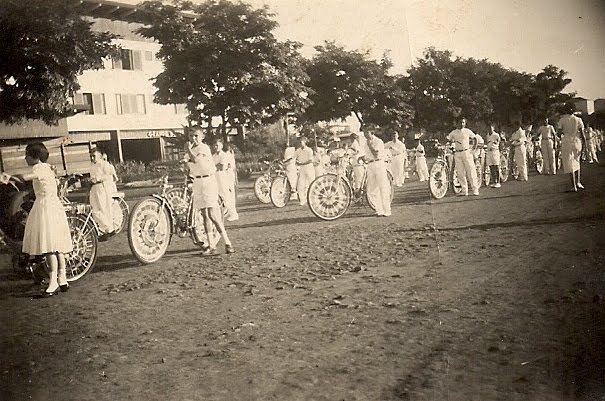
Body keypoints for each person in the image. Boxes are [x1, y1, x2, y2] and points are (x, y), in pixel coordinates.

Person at [15, 143, 73, 296]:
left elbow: (25, 178)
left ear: (35, 156)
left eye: (27, 155)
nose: (25, 158)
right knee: (56, 245)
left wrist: (9, 177)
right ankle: (63, 279)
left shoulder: (38, 168)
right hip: (52, 205)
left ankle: (53, 281)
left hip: (46, 207)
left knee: (48, 246)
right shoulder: (46, 167)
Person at [185, 127, 234, 255]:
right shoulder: (191, 150)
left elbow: (196, 160)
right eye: (191, 136)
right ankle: (211, 246)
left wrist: (188, 151)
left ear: (201, 137)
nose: (193, 138)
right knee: (203, 214)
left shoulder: (203, 148)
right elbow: (189, 166)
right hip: (197, 181)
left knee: (212, 213)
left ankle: (227, 242)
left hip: (208, 181)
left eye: (196, 136)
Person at [361, 125, 391, 217]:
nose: (365, 135)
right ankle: (379, 209)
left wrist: (370, 145)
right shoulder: (366, 143)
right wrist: (362, 157)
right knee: (373, 189)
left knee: (383, 187)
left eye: (367, 133)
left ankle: (387, 210)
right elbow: (368, 155)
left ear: (372, 133)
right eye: (364, 133)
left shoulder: (378, 141)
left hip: (379, 164)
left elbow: (376, 155)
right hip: (370, 165)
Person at [446, 117, 480, 196]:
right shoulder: (454, 132)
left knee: (471, 171)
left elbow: (475, 139)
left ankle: (475, 189)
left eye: (463, 122)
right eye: (460, 122)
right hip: (457, 154)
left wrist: (473, 149)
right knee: (460, 173)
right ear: (456, 123)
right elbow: (448, 139)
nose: (461, 124)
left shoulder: (467, 131)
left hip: (467, 152)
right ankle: (464, 190)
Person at [89, 147, 116, 240]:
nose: (92, 158)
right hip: (94, 188)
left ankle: (108, 230)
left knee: (104, 209)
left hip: (102, 187)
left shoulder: (104, 164)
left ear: (100, 155)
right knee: (94, 210)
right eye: (91, 156)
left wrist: (99, 178)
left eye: (94, 156)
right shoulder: (92, 166)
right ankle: (107, 229)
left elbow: (109, 175)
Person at [557, 104, 585, 191]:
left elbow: (558, 133)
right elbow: (582, 134)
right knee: (577, 161)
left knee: (569, 163)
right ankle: (578, 182)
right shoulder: (578, 119)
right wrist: (585, 146)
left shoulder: (562, 120)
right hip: (577, 142)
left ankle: (574, 186)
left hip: (567, 142)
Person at [213, 139, 239, 222]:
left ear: (221, 146)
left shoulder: (224, 155)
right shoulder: (214, 156)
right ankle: (223, 212)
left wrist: (214, 167)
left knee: (226, 196)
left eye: (217, 145)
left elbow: (222, 167)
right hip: (215, 177)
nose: (216, 147)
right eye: (215, 145)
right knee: (217, 196)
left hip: (223, 177)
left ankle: (233, 214)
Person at [294, 136, 316, 206]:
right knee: (300, 185)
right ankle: (302, 200)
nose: (301, 143)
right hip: (302, 169)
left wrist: (301, 163)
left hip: (309, 168)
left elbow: (310, 160)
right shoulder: (298, 150)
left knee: (312, 183)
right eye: (300, 142)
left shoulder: (309, 150)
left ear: (305, 142)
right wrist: (296, 162)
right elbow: (294, 157)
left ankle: (313, 199)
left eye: (302, 142)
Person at [485, 124, 502, 188]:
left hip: (495, 151)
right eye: (488, 128)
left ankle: (498, 182)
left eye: (490, 128)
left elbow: (498, 143)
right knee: (491, 167)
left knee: (496, 166)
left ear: (493, 128)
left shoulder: (496, 135)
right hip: (489, 152)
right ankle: (494, 181)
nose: (489, 129)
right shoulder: (487, 135)